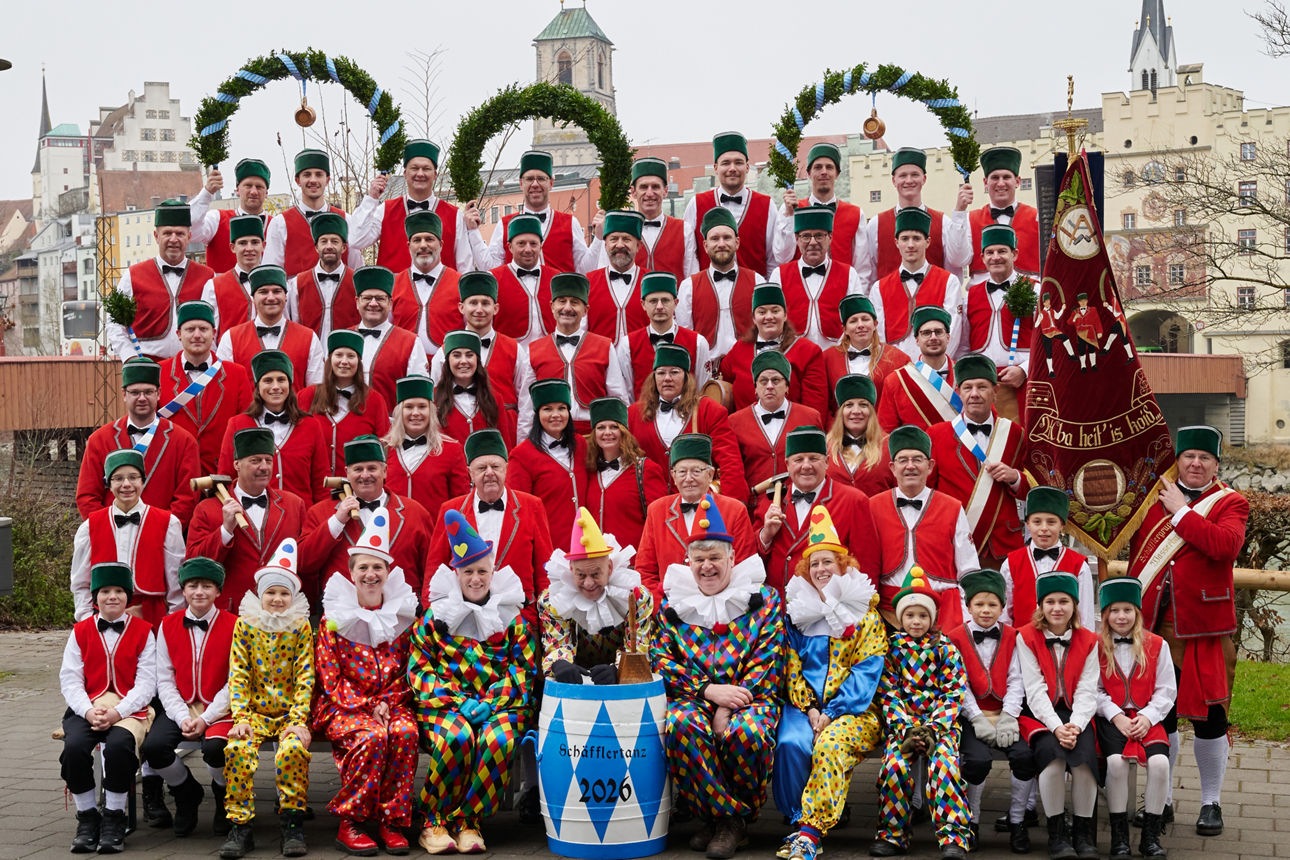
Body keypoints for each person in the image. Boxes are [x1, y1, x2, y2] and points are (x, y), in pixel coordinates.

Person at [1128, 425, 1248, 837]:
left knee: (1211, 718)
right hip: (1156, 628)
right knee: (1163, 717)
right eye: (1188, 456)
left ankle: (1211, 802)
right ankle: (1162, 801)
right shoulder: (1150, 499)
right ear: (1177, 460)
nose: (1195, 463)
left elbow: (1225, 546)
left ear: (1217, 464)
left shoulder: (1232, 502)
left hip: (1205, 629)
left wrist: (1181, 511)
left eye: (1204, 458)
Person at [653, 496, 783, 859]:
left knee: (748, 732)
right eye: (700, 559)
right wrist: (709, 693)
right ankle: (727, 820)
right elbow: (662, 661)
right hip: (695, 698)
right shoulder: (672, 607)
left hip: (750, 698)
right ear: (688, 562)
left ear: (731, 559)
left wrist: (733, 701)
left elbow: (769, 659)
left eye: (715, 558)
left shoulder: (764, 601)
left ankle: (720, 823)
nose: (707, 567)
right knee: (679, 724)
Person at [409, 510, 536, 854]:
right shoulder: (436, 617)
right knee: (458, 736)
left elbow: (522, 670)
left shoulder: (512, 616)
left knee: (498, 740)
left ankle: (468, 819)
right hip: (446, 705)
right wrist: (456, 702)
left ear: (493, 572)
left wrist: (492, 703)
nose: (476, 579)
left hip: (500, 706)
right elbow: (420, 670)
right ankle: (433, 819)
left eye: (482, 571)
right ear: (456, 573)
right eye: (468, 572)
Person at [772, 506, 885, 860]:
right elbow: (791, 668)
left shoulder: (865, 614)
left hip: (856, 711)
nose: (821, 570)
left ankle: (811, 831)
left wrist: (832, 712)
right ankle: (797, 821)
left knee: (830, 743)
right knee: (790, 742)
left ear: (843, 566)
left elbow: (867, 673)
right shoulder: (798, 615)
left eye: (828, 562)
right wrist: (810, 709)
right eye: (815, 564)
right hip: (804, 708)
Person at [313, 508, 421, 855]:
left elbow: (410, 670)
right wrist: (367, 705)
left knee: (405, 733)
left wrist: (388, 701)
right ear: (352, 572)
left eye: (378, 567)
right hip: (343, 705)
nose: (371, 574)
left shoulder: (402, 618)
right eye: (364, 567)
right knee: (372, 737)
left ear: (388, 573)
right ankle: (352, 821)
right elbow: (329, 678)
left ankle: (393, 820)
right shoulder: (335, 619)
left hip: (393, 704)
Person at [219, 539, 314, 860]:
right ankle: (240, 826)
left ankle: (292, 822)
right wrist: (241, 717)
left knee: (292, 752)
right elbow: (239, 672)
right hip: (255, 713)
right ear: (261, 595)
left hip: (289, 714)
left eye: (284, 593)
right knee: (237, 751)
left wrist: (299, 721)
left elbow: (306, 676)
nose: (277, 599)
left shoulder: (301, 627)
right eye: (271, 592)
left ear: (293, 597)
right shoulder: (246, 625)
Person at [870, 568, 972, 860]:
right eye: (910, 615)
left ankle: (954, 836)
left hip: (940, 727)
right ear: (901, 618)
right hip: (904, 727)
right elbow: (888, 693)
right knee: (894, 767)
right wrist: (905, 728)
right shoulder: (891, 650)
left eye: (923, 616)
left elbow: (954, 692)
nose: (916, 621)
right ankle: (892, 833)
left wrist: (933, 728)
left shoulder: (946, 649)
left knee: (945, 767)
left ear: (932, 619)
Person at [59, 562, 157, 855]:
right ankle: (88, 817)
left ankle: (114, 816)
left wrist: (117, 713)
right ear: (95, 597)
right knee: (74, 747)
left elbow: (147, 683)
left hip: (131, 709)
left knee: (118, 746)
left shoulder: (144, 632)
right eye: (104, 591)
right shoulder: (80, 631)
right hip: (88, 706)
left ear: (128, 597)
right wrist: (88, 711)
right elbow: (70, 679)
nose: (112, 596)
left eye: (118, 591)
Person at [139, 558, 236, 839]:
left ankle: (223, 796)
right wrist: (182, 716)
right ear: (184, 590)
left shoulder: (236, 625)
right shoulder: (167, 625)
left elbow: (236, 682)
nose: (199, 592)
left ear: (218, 591)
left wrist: (205, 719)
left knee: (217, 749)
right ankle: (185, 792)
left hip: (220, 708)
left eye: (207, 586)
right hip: (178, 705)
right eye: (193, 586)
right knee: (154, 747)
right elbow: (164, 679)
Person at [943, 569, 1036, 854]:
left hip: (1007, 713)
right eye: (979, 604)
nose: (986, 610)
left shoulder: (1013, 636)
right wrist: (976, 717)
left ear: (1002, 607)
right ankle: (971, 822)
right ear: (968, 606)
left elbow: (1017, 678)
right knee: (978, 761)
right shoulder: (954, 637)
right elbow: (958, 684)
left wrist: (1009, 715)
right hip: (971, 716)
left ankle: (1018, 822)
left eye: (992, 604)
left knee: (1024, 756)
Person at [423, 429, 555, 622]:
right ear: (470, 473)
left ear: (506, 469)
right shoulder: (450, 510)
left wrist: (547, 622)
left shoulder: (532, 506)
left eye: (495, 466)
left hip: (520, 618)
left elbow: (546, 571)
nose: (490, 473)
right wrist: (430, 618)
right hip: (464, 620)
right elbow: (434, 571)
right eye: (481, 468)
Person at [1016, 571, 1101, 860]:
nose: (1057, 608)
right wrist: (1056, 727)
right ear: (1041, 606)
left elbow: (1089, 690)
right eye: (1050, 601)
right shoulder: (1026, 637)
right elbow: (1034, 689)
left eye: (1064, 601)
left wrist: (1075, 725)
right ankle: (1056, 834)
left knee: (1084, 764)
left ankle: (1082, 832)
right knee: (1052, 763)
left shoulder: (1089, 640)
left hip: (1078, 714)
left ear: (1075, 606)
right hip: (1042, 716)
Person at [1096, 577, 1176, 860]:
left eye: (1127, 610)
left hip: (1148, 718)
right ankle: (1119, 838)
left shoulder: (1157, 644)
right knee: (1115, 763)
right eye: (1114, 610)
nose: (1121, 616)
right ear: (1105, 614)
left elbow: (1167, 690)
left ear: (1137, 613)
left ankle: (1150, 837)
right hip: (1112, 719)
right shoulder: (1095, 647)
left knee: (1159, 763)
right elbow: (1092, 689)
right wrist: (1115, 714)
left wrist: (1148, 716)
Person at [298, 435, 435, 599]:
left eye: (372, 468)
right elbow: (304, 564)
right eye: (358, 469)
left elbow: (431, 569)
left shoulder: (415, 512)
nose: (365, 475)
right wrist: (337, 521)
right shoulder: (320, 513)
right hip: (341, 614)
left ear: (384, 472)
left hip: (403, 613)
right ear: (347, 474)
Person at [187, 427, 308, 613]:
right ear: (237, 464)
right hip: (230, 613)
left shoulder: (294, 505)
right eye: (255, 460)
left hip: (280, 614)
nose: (264, 467)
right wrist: (225, 530)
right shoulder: (207, 509)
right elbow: (194, 565)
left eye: (268, 460)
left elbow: (305, 560)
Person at [869, 425, 979, 627]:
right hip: (889, 614)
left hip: (943, 614)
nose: (910, 466)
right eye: (903, 460)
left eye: (917, 460)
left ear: (930, 466)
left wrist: (967, 616)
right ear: (892, 468)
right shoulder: (872, 506)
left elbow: (969, 569)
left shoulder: (953, 507)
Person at [927, 354, 1030, 569]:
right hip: (955, 541)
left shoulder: (1015, 433)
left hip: (1002, 547)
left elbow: (1033, 487)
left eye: (982, 387)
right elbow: (929, 491)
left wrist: (1015, 478)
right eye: (967, 387)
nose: (974, 394)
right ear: (959, 392)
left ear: (995, 391)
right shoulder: (937, 434)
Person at [754, 423, 881, 593]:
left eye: (813, 458)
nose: (806, 466)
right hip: (777, 610)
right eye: (798, 460)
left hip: (828, 610)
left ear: (827, 462)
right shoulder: (771, 502)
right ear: (787, 464)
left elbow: (867, 565)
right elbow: (750, 559)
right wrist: (766, 535)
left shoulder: (854, 501)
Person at [76, 357, 200, 529]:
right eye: (135, 392)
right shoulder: (99, 440)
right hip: (112, 536)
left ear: (158, 393)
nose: (142, 398)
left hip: (163, 538)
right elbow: (87, 496)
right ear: (124, 394)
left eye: (148, 392)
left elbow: (187, 498)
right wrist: (107, 529)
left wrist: (162, 529)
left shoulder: (184, 441)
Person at [634, 434, 759, 603]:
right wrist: (663, 609)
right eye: (682, 472)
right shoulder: (657, 511)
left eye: (696, 471)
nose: (688, 479)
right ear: (673, 476)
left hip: (723, 610)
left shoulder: (735, 510)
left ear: (710, 474)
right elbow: (645, 571)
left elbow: (745, 569)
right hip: (670, 612)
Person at [70, 449, 184, 627]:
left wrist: (172, 622)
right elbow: (80, 582)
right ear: (108, 483)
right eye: (118, 478)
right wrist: (87, 621)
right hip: (103, 616)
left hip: (152, 616)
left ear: (142, 481)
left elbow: (176, 580)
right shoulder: (89, 527)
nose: (126, 484)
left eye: (133, 477)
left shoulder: (168, 523)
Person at [539, 506, 654, 681]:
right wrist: (559, 663)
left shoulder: (636, 597)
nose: (589, 583)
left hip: (623, 684)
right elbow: (557, 645)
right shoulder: (553, 600)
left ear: (609, 568)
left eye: (595, 574)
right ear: (571, 570)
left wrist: (618, 669)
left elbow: (638, 649)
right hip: (577, 683)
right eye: (581, 575)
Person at [628, 344, 749, 504]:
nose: (667, 378)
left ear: (686, 377)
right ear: (654, 377)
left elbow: (730, 462)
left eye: (674, 372)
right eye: (661, 373)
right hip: (650, 508)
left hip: (700, 506)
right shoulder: (633, 414)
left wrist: (733, 507)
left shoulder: (709, 411)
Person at [520, 272, 629, 438]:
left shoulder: (604, 346)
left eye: (575, 302)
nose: (567, 308)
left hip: (594, 438)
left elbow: (618, 398)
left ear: (585, 310)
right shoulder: (534, 350)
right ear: (552, 306)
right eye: (562, 301)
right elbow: (527, 407)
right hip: (549, 437)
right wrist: (524, 445)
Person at [107, 200, 215, 361]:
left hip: (194, 368)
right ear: (156, 236)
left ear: (189, 237)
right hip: (147, 365)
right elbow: (114, 323)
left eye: (180, 234)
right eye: (167, 233)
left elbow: (217, 326)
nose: (173, 239)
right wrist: (130, 357)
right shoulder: (133, 275)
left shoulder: (208, 276)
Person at [217, 350, 329, 506]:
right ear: (257, 386)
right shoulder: (238, 424)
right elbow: (225, 477)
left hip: (302, 519)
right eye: (268, 380)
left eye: (281, 380)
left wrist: (317, 520)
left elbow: (320, 482)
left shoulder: (311, 426)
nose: (276, 387)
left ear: (289, 384)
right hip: (251, 517)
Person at [348, 138, 474, 273]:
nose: (420, 174)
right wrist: (371, 199)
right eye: (414, 168)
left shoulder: (454, 215)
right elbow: (355, 240)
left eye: (426, 169)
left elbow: (465, 265)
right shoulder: (385, 210)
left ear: (435, 174)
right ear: (405, 174)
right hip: (393, 292)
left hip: (442, 292)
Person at [470, 149, 600, 274]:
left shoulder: (570, 223)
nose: (535, 184)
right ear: (521, 183)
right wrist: (473, 231)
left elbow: (585, 270)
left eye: (541, 179)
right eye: (529, 179)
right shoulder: (505, 225)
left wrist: (599, 238)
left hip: (558, 296)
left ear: (551, 183)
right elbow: (490, 268)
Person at [159, 301, 253, 472]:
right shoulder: (160, 372)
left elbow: (247, 426)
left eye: (203, 329)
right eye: (190, 329)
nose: (197, 335)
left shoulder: (236, 374)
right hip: (175, 471)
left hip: (223, 474)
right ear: (179, 334)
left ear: (214, 333)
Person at [427, 271, 528, 426]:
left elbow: (525, 400)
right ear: (461, 307)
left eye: (485, 303)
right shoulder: (445, 352)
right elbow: (435, 397)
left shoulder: (515, 349)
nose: (479, 310)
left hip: (505, 430)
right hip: (457, 428)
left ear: (496, 308)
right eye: (473, 303)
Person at [684, 131, 786, 277]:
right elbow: (690, 257)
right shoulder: (696, 204)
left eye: (738, 162)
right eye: (726, 163)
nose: (732, 168)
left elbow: (773, 259)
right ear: (715, 168)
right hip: (709, 294)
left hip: (754, 295)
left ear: (747, 167)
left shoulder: (767, 205)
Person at [870, 208, 965, 361]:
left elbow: (952, 331)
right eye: (905, 238)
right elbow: (878, 335)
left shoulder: (949, 281)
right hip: (895, 368)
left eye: (916, 238)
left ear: (927, 242)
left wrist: (934, 364)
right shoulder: (879, 288)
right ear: (896, 242)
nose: (910, 245)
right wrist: (892, 367)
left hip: (935, 367)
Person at [960, 224, 1033, 422]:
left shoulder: (1035, 289)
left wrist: (1025, 370)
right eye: (989, 252)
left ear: (1014, 254)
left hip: (1023, 380)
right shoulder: (971, 294)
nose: (995, 257)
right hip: (984, 384)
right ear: (982, 258)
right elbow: (965, 342)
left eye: (1002, 251)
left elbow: (1047, 341)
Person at [865, 147, 971, 282]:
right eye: (903, 175)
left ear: (924, 179)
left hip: (933, 300)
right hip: (888, 301)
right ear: (894, 180)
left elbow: (955, 269)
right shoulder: (876, 224)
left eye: (914, 174)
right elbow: (870, 274)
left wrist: (960, 211)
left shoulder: (943, 222)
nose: (909, 180)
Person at [721, 284, 828, 417]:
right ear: (754, 318)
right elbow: (724, 389)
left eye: (775, 311)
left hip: (792, 433)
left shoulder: (808, 351)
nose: (769, 316)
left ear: (785, 315)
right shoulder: (739, 350)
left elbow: (816, 408)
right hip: (745, 434)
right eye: (762, 312)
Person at [583, 397, 669, 562]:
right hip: (595, 566)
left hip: (633, 565)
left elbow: (659, 522)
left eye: (614, 427)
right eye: (601, 427)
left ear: (624, 432)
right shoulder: (590, 472)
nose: (607, 432)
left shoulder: (645, 471)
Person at [729, 351, 824, 500]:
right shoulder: (735, 422)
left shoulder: (810, 417)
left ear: (787, 386)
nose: (769, 386)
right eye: (763, 381)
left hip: (798, 502)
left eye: (776, 380)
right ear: (755, 388)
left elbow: (819, 462)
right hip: (755, 506)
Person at [508, 378, 589, 552]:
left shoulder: (581, 445)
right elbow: (519, 509)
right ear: (537, 414)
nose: (555, 415)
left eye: (562, 408)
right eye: (547, 409)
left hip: (587, 544)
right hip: (549, 546)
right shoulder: (521, 455)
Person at [999, 487, 1096, 630]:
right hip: (1022, 646)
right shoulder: (1011, 563)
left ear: (1062, 525)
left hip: (1065, 647)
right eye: (1037, 522)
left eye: (1051, 522)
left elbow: (1085, 618)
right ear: (1028, 525)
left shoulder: (1079, 565)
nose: (1044, 528)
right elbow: (1004, 616)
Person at [770, 205, 864, 350]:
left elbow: (857, 320)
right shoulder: (779, 275)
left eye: (819, 235)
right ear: (797, 239)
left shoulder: (849, 274)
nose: (813, 242)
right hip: (793, 356)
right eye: (806, 236)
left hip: (836, 354)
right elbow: (773, 323)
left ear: (830, 237)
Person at [777, 142, 872, 285]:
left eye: (829, 167)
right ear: (809, 173)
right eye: (817, 167)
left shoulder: (855, 214)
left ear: (837, 173)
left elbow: (862, 268)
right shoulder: (792, 208)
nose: (824, 172)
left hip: (841, 293)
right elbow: (781, 257)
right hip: (800, 290)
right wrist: (790, 216)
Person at [217, 265, 325, 388]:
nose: (271, 297)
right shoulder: (231, 339)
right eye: (263, 292)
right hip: (248, 408)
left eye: (277, 291)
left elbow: (316, 391)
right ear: (253, 298)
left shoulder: (309, 338)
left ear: (285, 297)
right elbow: (225, 388)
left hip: (296, 408)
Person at [300, 329, 390, 476]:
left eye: (351, 356)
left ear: (359, 362)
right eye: (339, 355)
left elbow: (384, 448)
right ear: (329, 360)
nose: (344, 361)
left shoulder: (374, 400)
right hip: (315, 486)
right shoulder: (308, 396)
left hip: (359, 487)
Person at [263, 148, 362, 274]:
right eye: (307, 174)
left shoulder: (347, 220)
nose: (313, 180)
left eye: (319, 174)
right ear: (298, 181)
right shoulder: (280, 224)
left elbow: (357, 270)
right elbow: (271, 274)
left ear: (327, 180)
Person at [615, 270, 712, 399]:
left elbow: (702, 391)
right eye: (653, 301)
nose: (659, 306)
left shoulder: (698, 342)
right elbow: (626, 394)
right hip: (643, 416)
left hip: (686, 416)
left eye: (665, 300)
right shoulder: (627, 344)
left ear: (676, 303)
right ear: (643, 304)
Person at [678, 207, 758, 361]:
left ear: (737, 242)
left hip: (748, 370)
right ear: (705, 246)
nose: (721, 244)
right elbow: (685, 338)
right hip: (706, 373)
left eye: (727, 238)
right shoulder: (688, 287)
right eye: (715, 239)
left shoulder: (757, 282)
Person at [383, 374, 470, 511]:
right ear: (399, 412)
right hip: (394, 530)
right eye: (409, 407)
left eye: (422, 407)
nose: (416, 413)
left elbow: (460, 501)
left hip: (435, 530)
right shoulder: (384, 448)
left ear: (431, 412)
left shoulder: (451, 449)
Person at [349, 265, 429, 409]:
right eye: (367, 298)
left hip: (392, 426)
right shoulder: (343, 338)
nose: (373, 304)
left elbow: (417, 395)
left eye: (380, 298)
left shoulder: (410, 342)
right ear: (357, 302)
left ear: (390, 303)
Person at [389, 210, 464, 356]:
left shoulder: (460, 283)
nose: (423, 245)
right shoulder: (393, 284)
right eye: (417, 240)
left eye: (429, 239)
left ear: (441, 245)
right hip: (403, 367)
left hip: (448, 370)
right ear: (409, 245)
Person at [877, 306, 962, 433]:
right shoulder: (896, 381)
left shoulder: (966, 375)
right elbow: (885, 432)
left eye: (938, 332)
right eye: (926, 333)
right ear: (917, 340)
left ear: (948, 337)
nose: (933, 337)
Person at [823, 295, 909, 419]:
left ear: (875, 324)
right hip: (839, 434)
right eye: (853, 321)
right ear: (845, 329)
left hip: (882, 433)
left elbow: (903, 406)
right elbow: (824, 405)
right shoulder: (827, 358)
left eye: (865, 319)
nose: (860, 325)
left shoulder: (899, 359)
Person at [611, 156, 694, 280]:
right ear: (633, 192)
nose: (649, 193)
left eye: (655, 187)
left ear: (665, 191)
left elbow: (692, 278)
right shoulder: (619, 231)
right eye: (644, 187)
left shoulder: (684, 230)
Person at [434, 329, 519, 449]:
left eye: (469, 355)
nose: (463, 361)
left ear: (477, 360)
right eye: (456, 355)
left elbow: (504, 445)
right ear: (447, 361)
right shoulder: (434, 399)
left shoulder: (495, 398)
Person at [967, 147, 1040, 287]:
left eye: (1006, 177)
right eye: (995, 177)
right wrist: (959, 210)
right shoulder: (970, 219)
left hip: (1029, 294)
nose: (1000, 183)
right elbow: (957, 260)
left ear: (1017, 181)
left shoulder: (1036, 217)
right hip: (983, 299)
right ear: (985, 183)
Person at [188, 158, 274, 275]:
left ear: (267, 193)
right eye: (248, 186)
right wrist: (207, 193)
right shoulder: (217, 219)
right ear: (237, 190)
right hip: (221, 292)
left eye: (259, 187)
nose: (254, 191)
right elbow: (188, 229)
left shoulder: (277, 225)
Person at [286, 212, 361, 344]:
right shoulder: (297, 284)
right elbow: (295, 324)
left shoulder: (358, 281)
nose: (329, 246)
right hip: (309, 356)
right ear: (316, 247)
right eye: (324, 241)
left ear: (344, 247)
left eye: (334, 241)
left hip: (347, 357)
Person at [489, 214, 556, 344]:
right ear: (510, 247)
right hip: (509, 356)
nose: (528, 249)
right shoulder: (493, 279)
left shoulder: (556, 279)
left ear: (540, 246)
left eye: (533, 244)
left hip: (549, 356)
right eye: (521, 243)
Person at [825, 375, 894, 497]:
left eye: (863, 405)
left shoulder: (890, 445)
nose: (856, 411)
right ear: (841, 412)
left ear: (872, 411)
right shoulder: (825, 446)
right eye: (849, 405)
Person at [585, 210, 648, 340]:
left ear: (638, 246)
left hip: (642, 359)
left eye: (626, 239)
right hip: (601, 359)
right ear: (606, 244)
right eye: (614, 239)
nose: (619, 245)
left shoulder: (652, 281)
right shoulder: (587, 283)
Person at [199, 214, 263, 338]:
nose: (249, 248)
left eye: (255, 242)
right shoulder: (213, 286)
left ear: (263, 245)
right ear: (232, 248)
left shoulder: (278, 284)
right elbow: (207, 333)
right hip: (229, 356)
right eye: (243, 243)